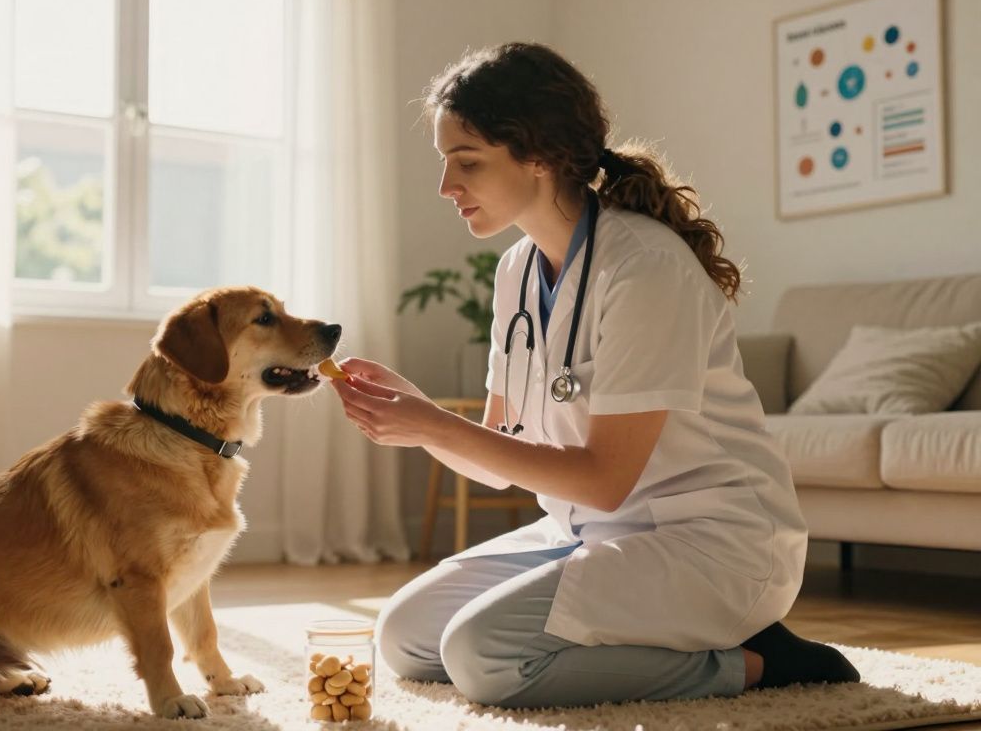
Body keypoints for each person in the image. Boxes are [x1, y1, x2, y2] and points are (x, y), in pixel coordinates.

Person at [329, 42, 859, 709]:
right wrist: (414, 413)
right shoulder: (516, 271)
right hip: (590, 536)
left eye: (467, 162)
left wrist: (430, 423)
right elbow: (500, 456)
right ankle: (647, 641)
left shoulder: (645, 267)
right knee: (404, 635)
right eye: (445, 163)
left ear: (541, 155)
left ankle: (756, 664)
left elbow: (606, 481)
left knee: (481, 655)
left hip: (710, 542)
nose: (446, 186)